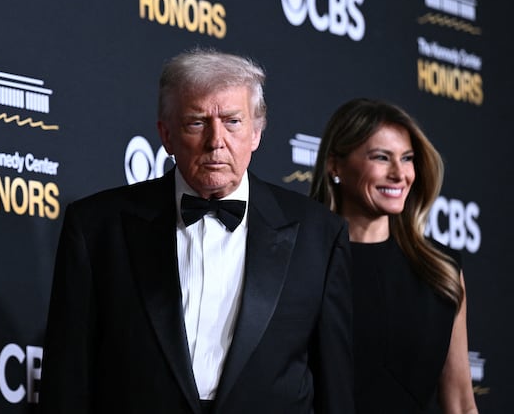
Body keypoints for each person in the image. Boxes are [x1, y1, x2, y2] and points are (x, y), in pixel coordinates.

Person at [39, 49, 354, 414]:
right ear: (166, 135)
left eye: (233, 122)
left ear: (256, 132)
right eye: (196, 123)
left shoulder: (319, 235)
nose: (216, 140)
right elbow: (68, 378)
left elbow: (334, 385)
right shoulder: (97, 227)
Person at [309, 98, 478, 414]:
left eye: (407, 158)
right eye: (381, 158)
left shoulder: (441, 269)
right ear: (335, 165)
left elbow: (461, 403)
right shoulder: (305, 261)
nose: (400, 174)